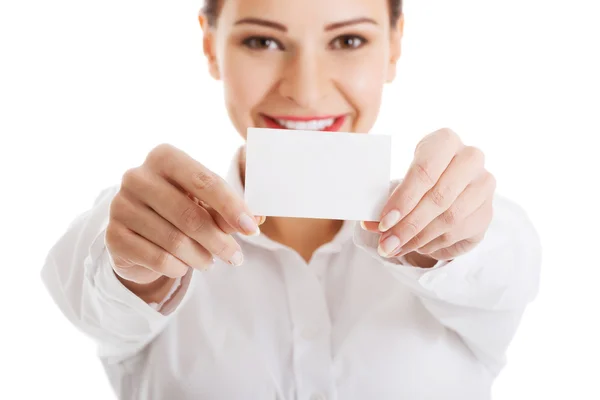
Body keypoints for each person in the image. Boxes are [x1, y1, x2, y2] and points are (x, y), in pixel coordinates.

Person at [41, 0, 541, 398]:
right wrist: (136, 270)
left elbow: (504, 264)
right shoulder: (140, 229)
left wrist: (449, 246)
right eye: (262, 40)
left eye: (348, 40)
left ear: (394, 47)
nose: (306, 91)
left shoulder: (485, 242)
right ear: (211, 46)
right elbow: (90, 291)